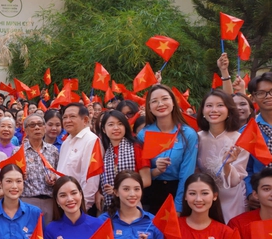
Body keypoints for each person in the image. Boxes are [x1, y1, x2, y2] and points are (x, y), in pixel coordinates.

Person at [136, 84, 198, 214]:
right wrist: (155, 170)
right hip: (150, 194)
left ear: (173, 102)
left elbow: (187, 174)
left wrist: (178, 206)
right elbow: (141, 173)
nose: (160, 104)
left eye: (164, 99)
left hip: (178, 191)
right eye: (154, 101)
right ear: (149, 107)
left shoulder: (188, 134)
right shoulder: (143, 135)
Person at [196, 89, 248, 222]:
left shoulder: (240, 140)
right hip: (202, 198)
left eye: (220, 105)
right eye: (209, 105)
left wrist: (227, 165)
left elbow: (234, 181)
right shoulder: (197, 138)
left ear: (229, 110)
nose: (214, 110)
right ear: (203, 111)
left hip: (231, 199)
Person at [97, 110, 151, 212]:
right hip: (110, 206)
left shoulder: (136, 147)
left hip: (133, 203)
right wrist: (99, 192)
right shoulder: (104, 150)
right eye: (111, 125)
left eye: (120, 124)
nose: (116, 128)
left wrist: (119, 190)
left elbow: (146, 180)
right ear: (103, 129)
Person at [57, 103, 100, 211]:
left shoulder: (91, 140)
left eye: (72, 116)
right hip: (64, 204)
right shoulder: (66, 142)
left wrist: (83, 207)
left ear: (85, 120)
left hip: (79, 207)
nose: (67, 120)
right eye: (65, 117)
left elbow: (91, 180)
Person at [21, 113, 60, 226]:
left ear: (44, 127)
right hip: (27, 200)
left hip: (50, 200)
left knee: (48, 233)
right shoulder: (18, 151)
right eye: (32, 125)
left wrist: (54, 177)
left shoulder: (53, 150)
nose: (37, 127)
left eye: (40, 124)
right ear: (26, 130)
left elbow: (59, 172)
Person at [246, 73, 272, 208]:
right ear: (253, 97)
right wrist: (250, 192)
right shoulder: (248, 130)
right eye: (261, 93)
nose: (268, 96)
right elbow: (245, 168)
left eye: (271, 91)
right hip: (263, 197)